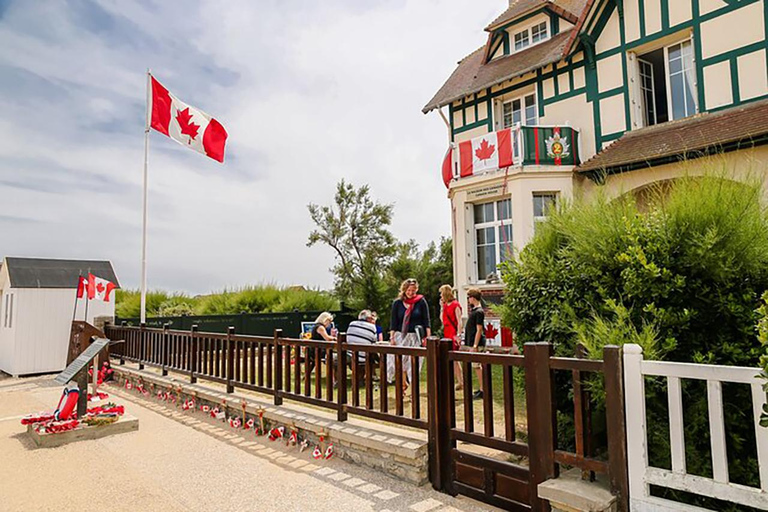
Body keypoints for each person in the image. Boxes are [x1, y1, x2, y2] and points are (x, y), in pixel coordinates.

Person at [388, 278, 431, 394]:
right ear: (404, 289)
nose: (411, 293)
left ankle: (413, 390)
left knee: (414, 363)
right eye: (409, 290)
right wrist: (392, 338)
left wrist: (428, 337)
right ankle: (402, 384)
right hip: (400, 336)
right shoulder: (397, 303)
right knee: (400, 362)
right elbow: (393, 322)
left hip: (415, 337)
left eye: (413, 290)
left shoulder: (421, 302)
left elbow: (426, 321)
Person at [439, 284, 464, 390]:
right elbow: (442, 319)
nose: (440, 295)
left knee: (454, 359)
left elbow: (459, 321)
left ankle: (460, 381)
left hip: (453, 334)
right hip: (447, 332)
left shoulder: (455, 305)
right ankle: (458, 380)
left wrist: (458, 335)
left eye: (441, 293)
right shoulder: (445, 306)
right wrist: (441, 307)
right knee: (450, 359)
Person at [464, 288, 486, 400]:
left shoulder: (479, 312)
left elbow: (479, 329)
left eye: (469, 297)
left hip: (476, 343)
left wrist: (475, 346)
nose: (468, 300)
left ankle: (483, 389)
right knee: (476, 366)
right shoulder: (474, 310)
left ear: (473, 298)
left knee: (477, 366)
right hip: (471, 341)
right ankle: (481, 388)